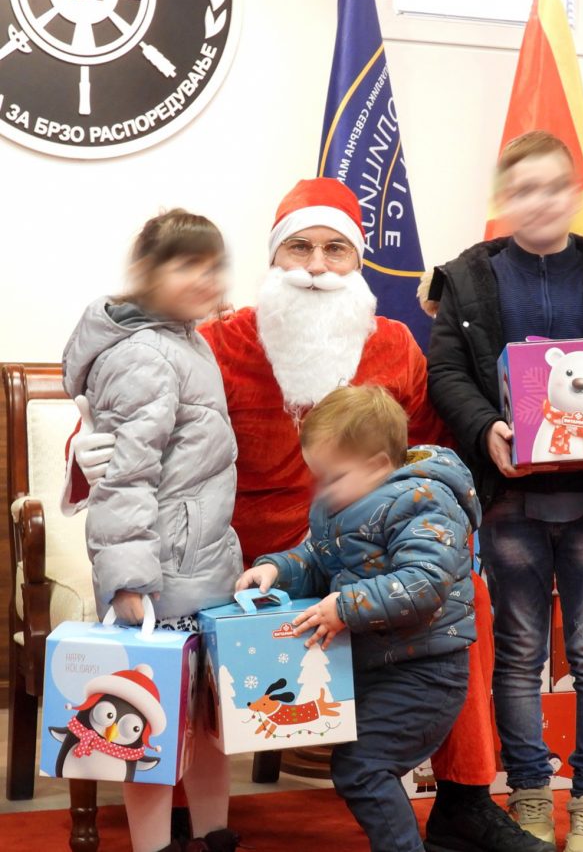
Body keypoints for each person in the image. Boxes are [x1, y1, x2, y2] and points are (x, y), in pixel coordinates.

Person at [64, 178, 551, 852]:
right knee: (187, 619)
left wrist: (500, 439)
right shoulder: (219, 342)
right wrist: (82, 450)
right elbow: (132, 420)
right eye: (299, 248)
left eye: (335, 249)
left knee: (462, 594)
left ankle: (464, 800)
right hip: (251, 554)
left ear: (358, 262)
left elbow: (428, 452)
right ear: (273, 258)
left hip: (366, 545)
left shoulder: (395, 346)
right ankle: (172, 800)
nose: (317, 267)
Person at [427, 131, 583, 852]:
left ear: (575, 195)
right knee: (516, 653)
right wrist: (486, 431)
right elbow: (447, 374)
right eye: (524, 189)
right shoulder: (469, 279)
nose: (539, 201)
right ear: (504, 199)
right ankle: (531, 795)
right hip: (511, 503)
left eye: (552, 187)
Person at [62, 209, 244, 852]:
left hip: (200, 568)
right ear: (146, 271)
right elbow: (125, 479)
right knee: (145, 725)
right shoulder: (143, 354)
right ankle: (154, 845)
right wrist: (129, 582)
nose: (205, 278)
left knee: (207, 725)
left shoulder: (185, 341)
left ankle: (214, 836)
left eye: (213, 265)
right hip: (160, 580)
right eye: (186, 264)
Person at [236, 384, 478, 852]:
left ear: (378, 466)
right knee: (360, 766)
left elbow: (423, 584)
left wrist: (345, 606)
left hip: (427, 672)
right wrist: (277, 568)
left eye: (334, 477)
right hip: (376, 665)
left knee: (362, 767)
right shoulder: (340, 505)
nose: (323, 490)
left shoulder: (423, 501)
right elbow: (316, 558)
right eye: (318, 478)